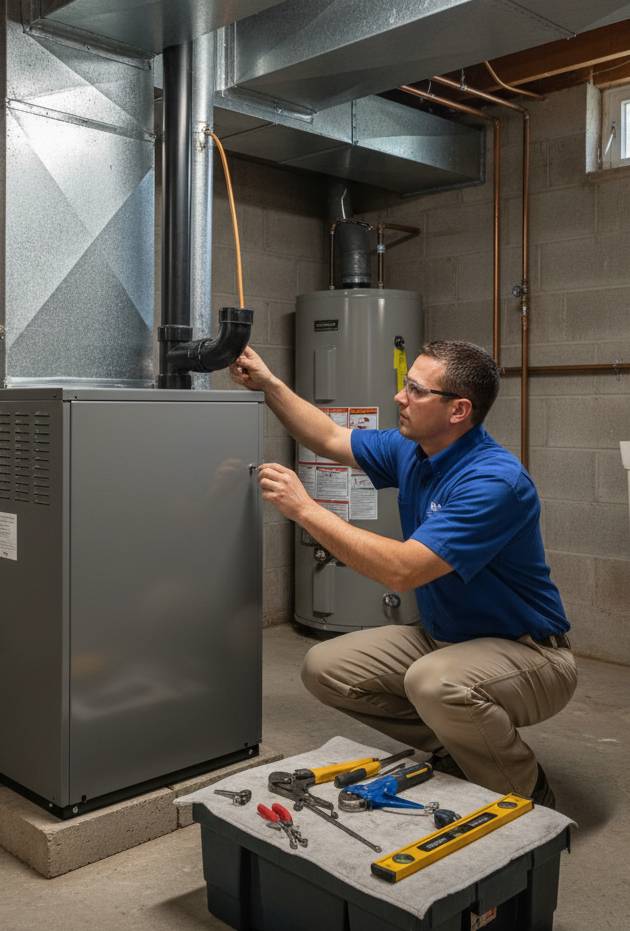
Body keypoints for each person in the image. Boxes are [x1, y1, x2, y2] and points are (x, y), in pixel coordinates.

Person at [230, 339, 576, 807]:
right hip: (446, 638)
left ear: (458, 410)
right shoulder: (414, 450)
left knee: (433, 683)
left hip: (530, 653)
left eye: (415, 389)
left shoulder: (493, 482)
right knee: (324, 668)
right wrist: (269, 385)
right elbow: (332, 438)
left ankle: (526, 792)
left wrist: (305, 509)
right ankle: (456, 748)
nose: (399, 397)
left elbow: (402, 571)